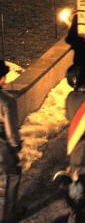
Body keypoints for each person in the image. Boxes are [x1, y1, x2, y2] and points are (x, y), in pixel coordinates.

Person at [0, 60, 22, 223]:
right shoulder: (6, 100)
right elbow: (10, 130)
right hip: (2, 144)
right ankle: (9, 215)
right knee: (13, 174)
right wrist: (16, 145)